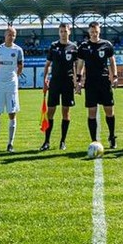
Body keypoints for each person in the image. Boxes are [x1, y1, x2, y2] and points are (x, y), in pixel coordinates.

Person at [75, 21, 118, 148]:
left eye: (96, 32)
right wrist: (78, 81)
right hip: (90, 83)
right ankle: (94, 140)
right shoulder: (83, 46)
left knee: (109, 111)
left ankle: (112, 136)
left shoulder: (107, 44)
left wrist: (115, 76)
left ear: (99, 31)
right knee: (92, 112)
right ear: (89, 32)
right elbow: (80, 64)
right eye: (92, 32)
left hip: (104, 82)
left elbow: (112, 61)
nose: (94, 34)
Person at [40, 22, 77, 151]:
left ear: (69, 32)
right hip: (55, 82)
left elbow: (76, 66)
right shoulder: (53, 46)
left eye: (65, 31)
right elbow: (47, 65)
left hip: (67, 83)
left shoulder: (73, 47)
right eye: (61, 31)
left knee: (65, 112)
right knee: (50, 112)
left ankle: (63, 141)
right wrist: (45, 80)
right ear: (59, 33)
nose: (63, 33)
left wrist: (77, 81)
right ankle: (46, 141)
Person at [0, 27, 25, 151]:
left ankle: (10, 144)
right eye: (9, 34)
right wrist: (0, 77)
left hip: (11, 86)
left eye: (13, 35)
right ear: (5, 35)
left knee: (12, 114)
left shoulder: (18, 50)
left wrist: (13, 77)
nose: (11, 37)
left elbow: (20, 66)